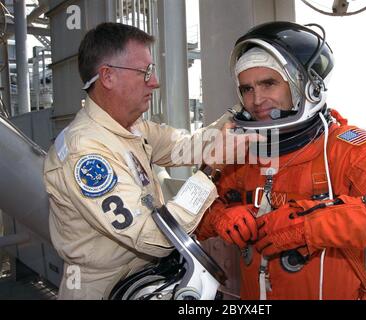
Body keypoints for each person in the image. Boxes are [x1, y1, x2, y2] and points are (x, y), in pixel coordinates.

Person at [196, 21, 366, 300]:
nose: (256, 99)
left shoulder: (347, 150)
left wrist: (311, 225)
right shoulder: (242, 155)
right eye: (247, 88)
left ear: (306, 87)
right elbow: (196, 220)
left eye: (268, 83)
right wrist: (222, 216)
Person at [43, 22, 242, 299]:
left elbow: (186, 146)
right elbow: (156, 238)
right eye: (145, 71)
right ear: (108, 76)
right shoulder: (85, 153)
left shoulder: (131, 128)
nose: (155, 82)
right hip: (103, 288)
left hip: (140, 278)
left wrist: (239, 112)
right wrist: (210, 171)